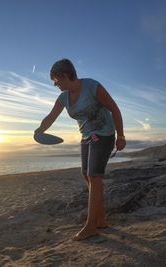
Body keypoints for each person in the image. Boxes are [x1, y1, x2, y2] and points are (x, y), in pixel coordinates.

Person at [35, 58, 126, 241]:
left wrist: (121, 136)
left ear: (65, 75)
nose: (55, 84)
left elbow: (114, 108)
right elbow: (51, 117)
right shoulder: (63, 97)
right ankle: (100, 220)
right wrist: (40, 130)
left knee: (95, 176)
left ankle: (91, 226)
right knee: (86, 174)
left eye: (55, 80)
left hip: (104, 134)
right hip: (86, 137)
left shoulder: (91, 86)